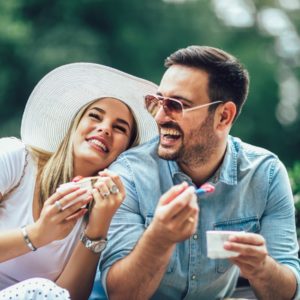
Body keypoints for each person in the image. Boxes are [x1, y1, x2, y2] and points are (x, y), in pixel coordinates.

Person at [99, 46, 300, 300]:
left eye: (176, 105)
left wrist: (262, 269)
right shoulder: (129, 174)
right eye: (157, 102)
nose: (160, 117)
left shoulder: (266, 175)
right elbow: (119, 295)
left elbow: (288, 292)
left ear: (223, 116)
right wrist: (159, 239)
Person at [0, 62, 158, 300]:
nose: (105, 129)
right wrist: (38, 233)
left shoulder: (109, 210)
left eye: (120, 128)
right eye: (95, 116)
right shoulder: (17, 160)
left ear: (126, 150)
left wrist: (97, 228)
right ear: (75, 125)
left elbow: (67, 297)